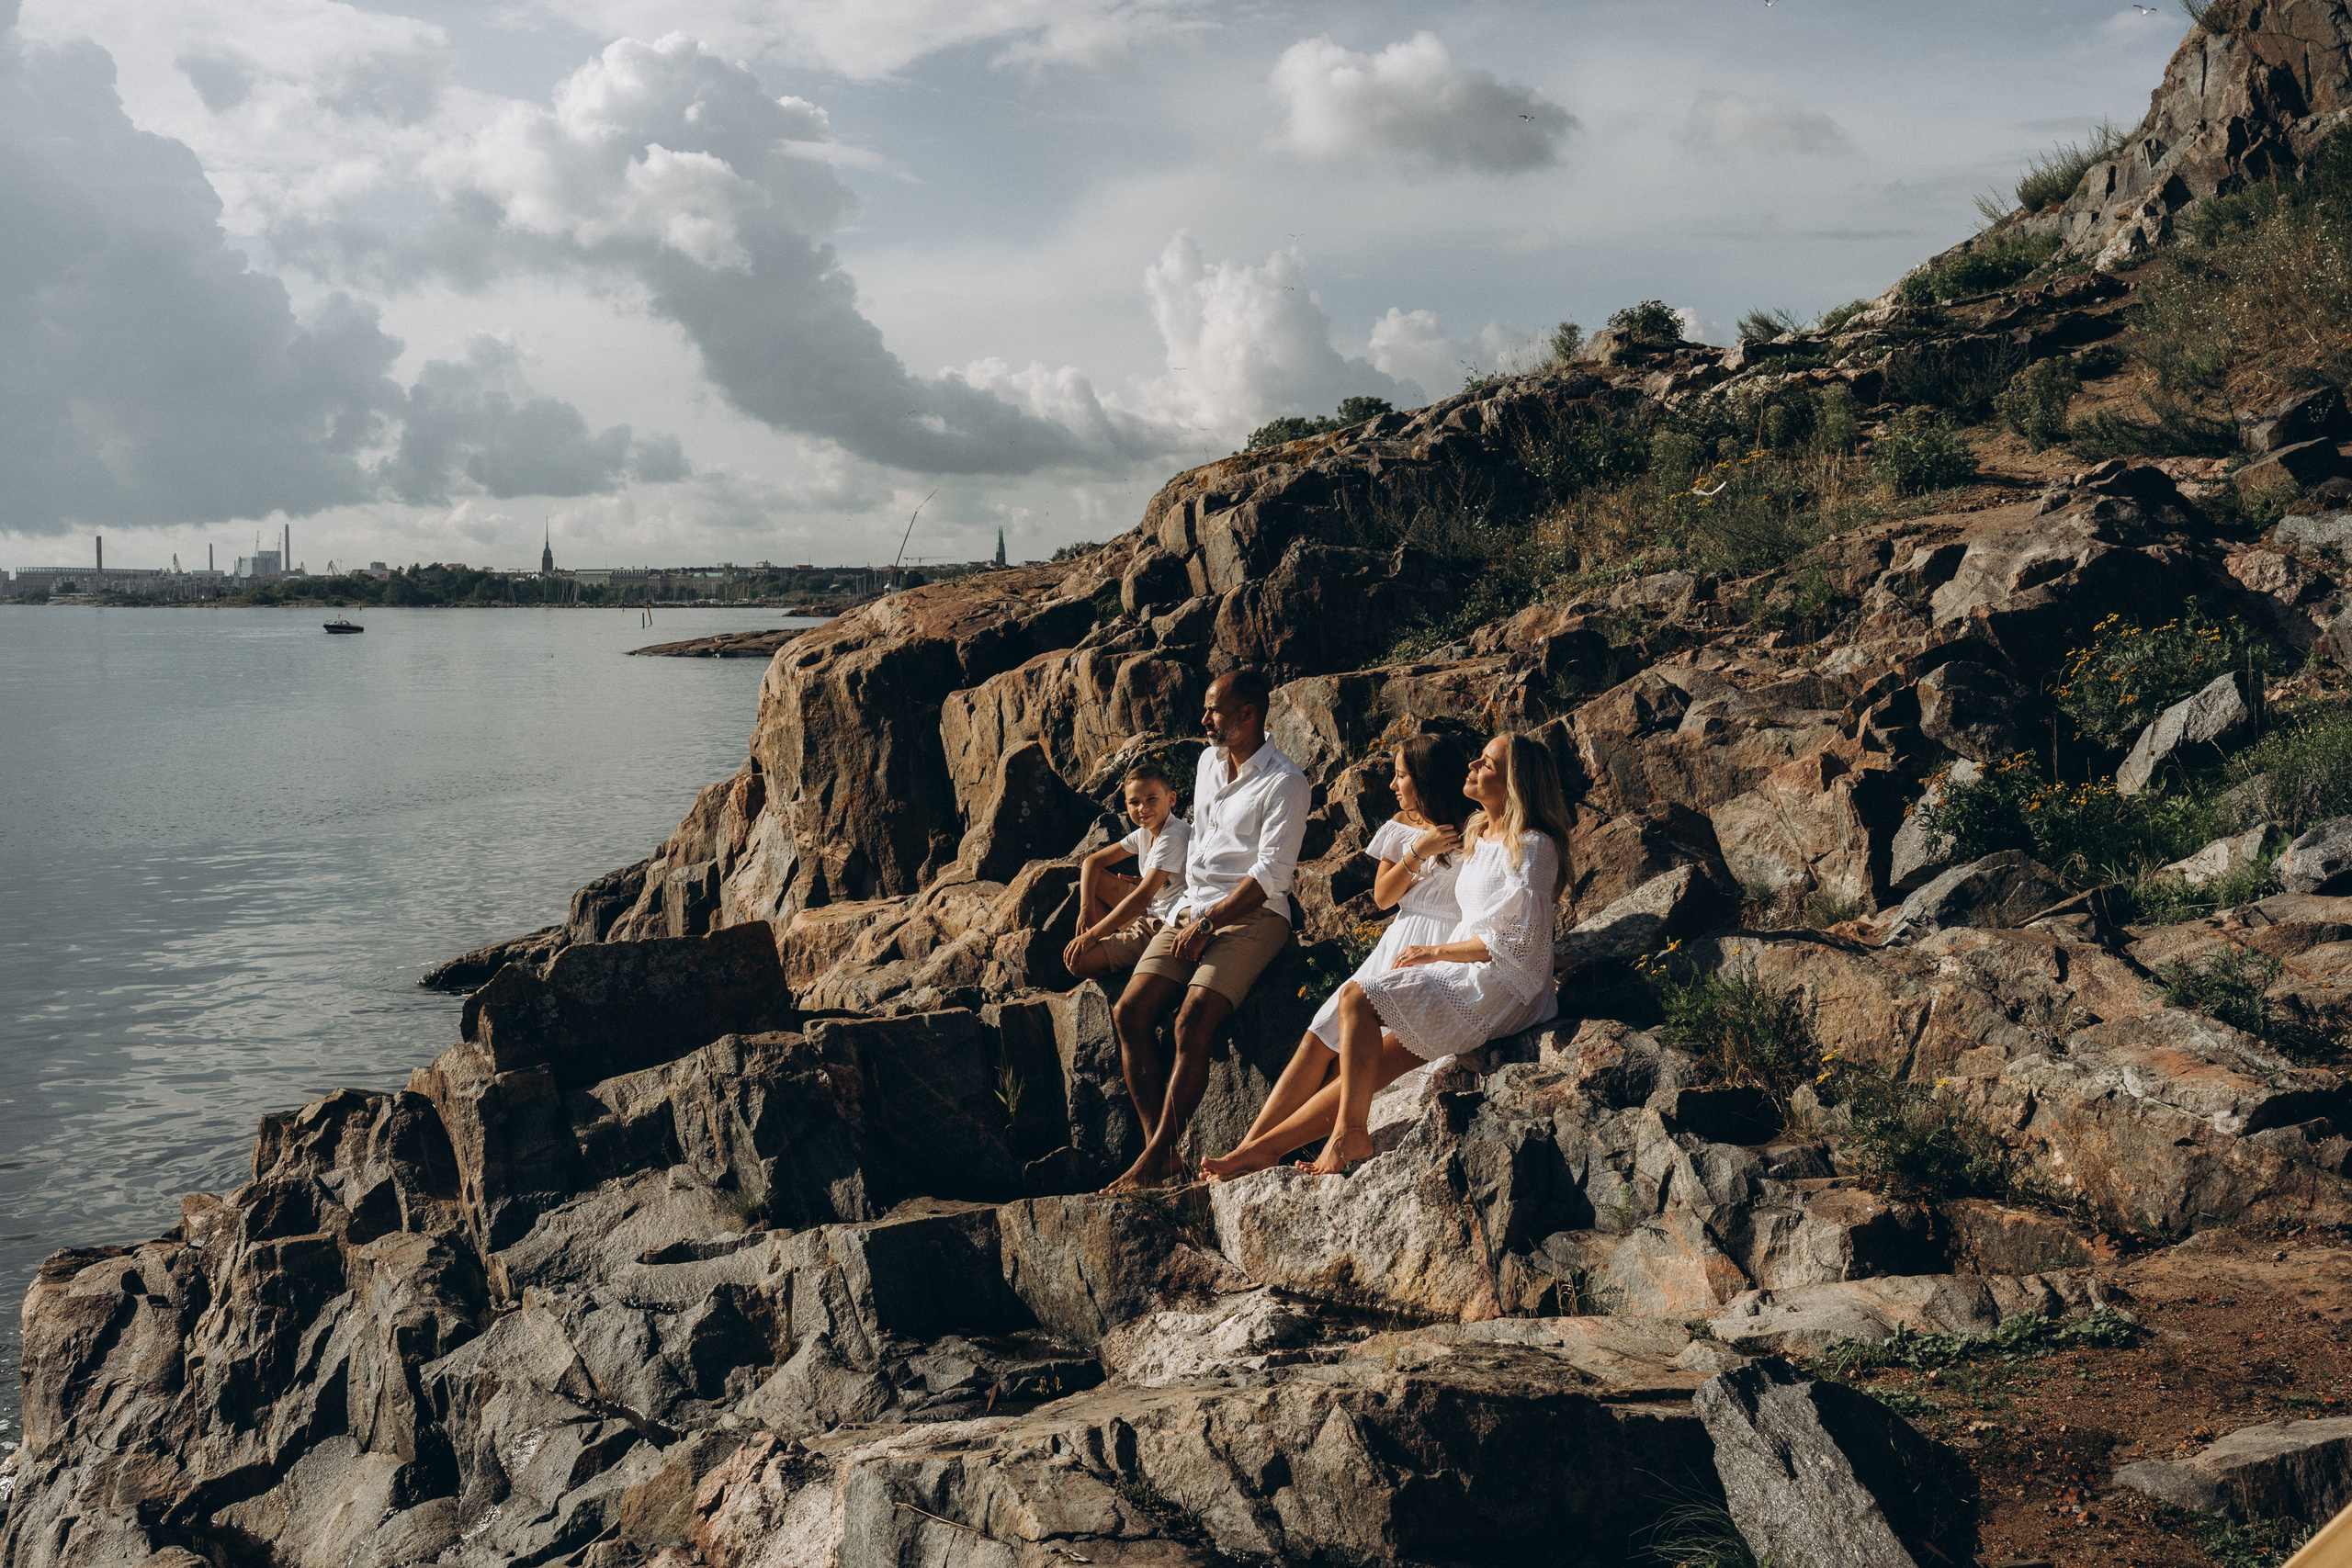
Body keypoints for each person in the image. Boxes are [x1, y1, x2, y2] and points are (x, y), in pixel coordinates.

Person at [1202, 732, 1573, 1180]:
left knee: (1357, 999)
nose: (1472, 765)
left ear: (1515, 783)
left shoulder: (1532, 847)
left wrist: (1437, 951)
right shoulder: (1480, 832)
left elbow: (1520, 942)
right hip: (1458, 966)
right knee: (1365, 1061)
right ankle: (1262, 1150)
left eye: (1487, 764)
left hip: (1494, 983)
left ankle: (1347, 1133)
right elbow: (1398, 897)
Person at [1103, 668, 1309, 1191]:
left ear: (1248, 714)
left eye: (1214, 710)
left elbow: (1272, 875)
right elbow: (1197, 842)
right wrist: (1184, 910)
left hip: (1254, 916)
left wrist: (1211, 922)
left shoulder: (1286, 782)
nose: (1204, 718)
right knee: (1130, 1011)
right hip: (1192, 909)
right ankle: (1162, 1151)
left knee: (1191, 1022)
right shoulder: (1205, 762)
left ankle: (1151, 1162)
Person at [1062, 761, 1190, 982]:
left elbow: (1141, 898)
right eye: (1135, 802)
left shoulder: (1173, 835)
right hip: (1149, 909)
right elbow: (1091, 862)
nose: (1143, 808)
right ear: (1126, 805)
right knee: (1096, 880)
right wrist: (1086, 910)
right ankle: (1112, 952)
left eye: (1151, 799)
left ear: (1171, 799)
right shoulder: (1145, 833)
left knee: (1079, 961)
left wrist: (1092, 936)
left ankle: (1110, 965)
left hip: (1162, 923)